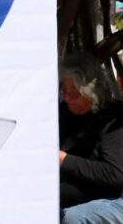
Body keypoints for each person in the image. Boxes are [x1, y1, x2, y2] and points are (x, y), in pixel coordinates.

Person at [59, 53, 123, 224]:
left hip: (109, 199)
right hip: (65, 198)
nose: (67, 98)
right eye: (64, 91)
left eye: (75, 93)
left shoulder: (113, 117)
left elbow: (115, 175)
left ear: (92, 92)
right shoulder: (62, 112)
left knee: (71, 218)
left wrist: (65, 160)